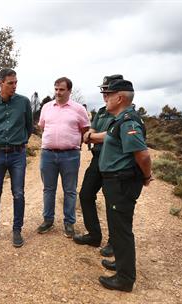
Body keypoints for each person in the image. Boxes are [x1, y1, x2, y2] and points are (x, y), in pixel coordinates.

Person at [97, 79, 152, 292]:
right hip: (115, 181)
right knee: (117, 226)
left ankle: (125, 279)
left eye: (108, 94)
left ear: (119, 97)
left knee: (122, 230)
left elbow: (143, 155)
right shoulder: (119, 119)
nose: (105, 98)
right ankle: (120, 263)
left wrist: (146, 177)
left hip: (122, 182)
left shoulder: (128, 121)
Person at [0, 68, 33, 248]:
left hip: (18, 154)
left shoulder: (24, 102)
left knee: (18, 193)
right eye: (10, 83)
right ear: (0, 83)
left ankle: (17, 230)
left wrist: (21, 141)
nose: (14, 86)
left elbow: (29, 127)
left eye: (16, 82)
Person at [73, 75, 123, 258]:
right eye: (103, 90)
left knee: (113, 203)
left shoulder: (123, 114)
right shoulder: (102, 112)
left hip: (115, 162)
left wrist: (92, 136)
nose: (104, 94)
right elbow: (92, 131)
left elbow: (109, 136)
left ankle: (114, 242)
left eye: (108, 91)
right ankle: (94, 235)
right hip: (97, 158)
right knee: (85, 194)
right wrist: (93, 135)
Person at [36, 77, 90, 237]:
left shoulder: (79, 109)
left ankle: (69, 223)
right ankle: (48, 221)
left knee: (70, 190)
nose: (58, 92)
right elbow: (42, 127)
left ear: (69, 91)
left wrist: (74, 144)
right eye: (56, 89)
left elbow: (85, 129)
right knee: (48, 189)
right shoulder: (46, 107)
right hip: (48, 155)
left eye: (61, 89)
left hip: (70, 155)